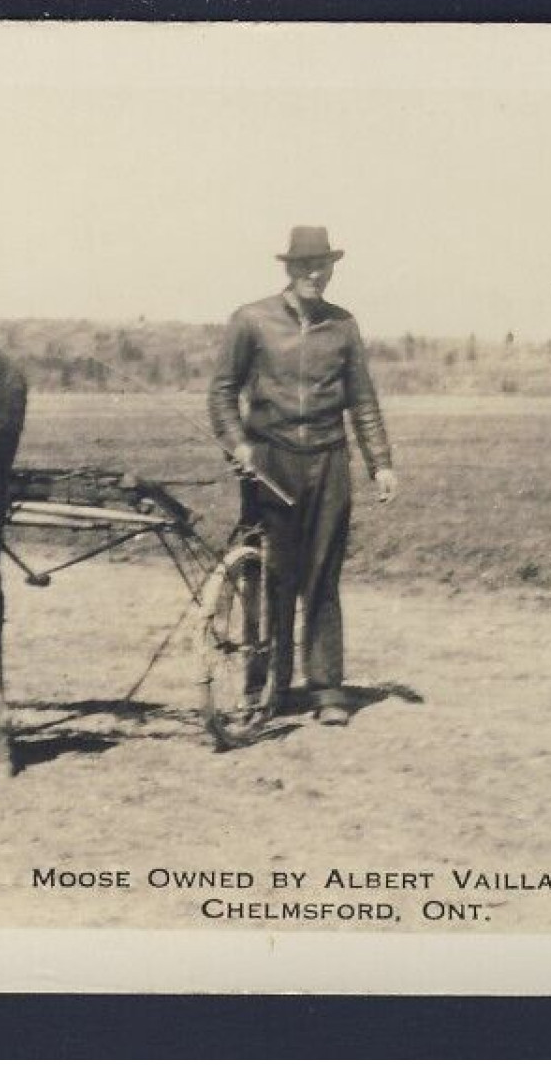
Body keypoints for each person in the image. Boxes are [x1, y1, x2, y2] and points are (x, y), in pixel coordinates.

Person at [206, 226, 398, 726]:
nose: (315, 274)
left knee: (322, 574)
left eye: (323, 265)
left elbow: (362, 400)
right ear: (288, 268)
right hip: (270, 461)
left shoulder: (343, 325)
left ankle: (327, 689)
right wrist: (239, 445)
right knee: (268, 575)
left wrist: (380, 463)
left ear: (332, 267)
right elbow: (222, 392)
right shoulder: (251, 321)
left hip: (329, 462)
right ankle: (263, 686)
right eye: (304, 265)